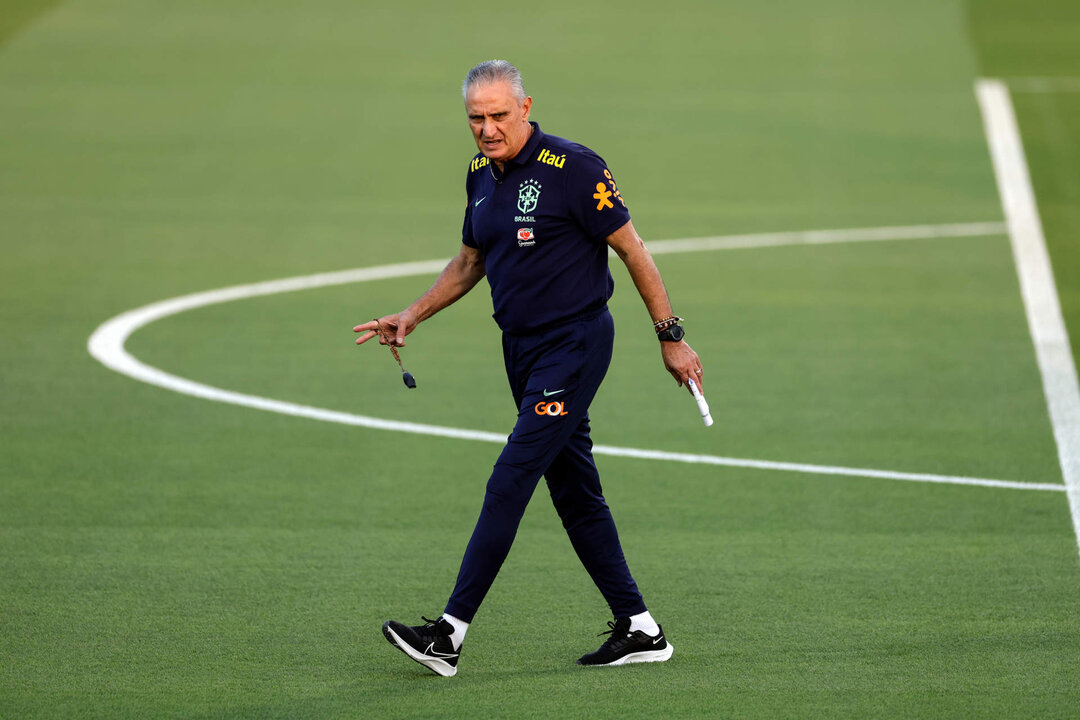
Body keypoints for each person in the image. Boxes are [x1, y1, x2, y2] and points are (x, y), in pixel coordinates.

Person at [354, 60, 704, 677]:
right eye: (475, 119)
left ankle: (449, 633)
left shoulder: (575, 169)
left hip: (575, 344)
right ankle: (640, 628)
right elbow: (470, 261)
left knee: (511, 476)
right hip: (521, 351)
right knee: (575, 491)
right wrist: (413, 314)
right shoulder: (479, 175)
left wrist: (670, 337)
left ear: (525, 107)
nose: (487, 129)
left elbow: (633, 249)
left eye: (497, 116)